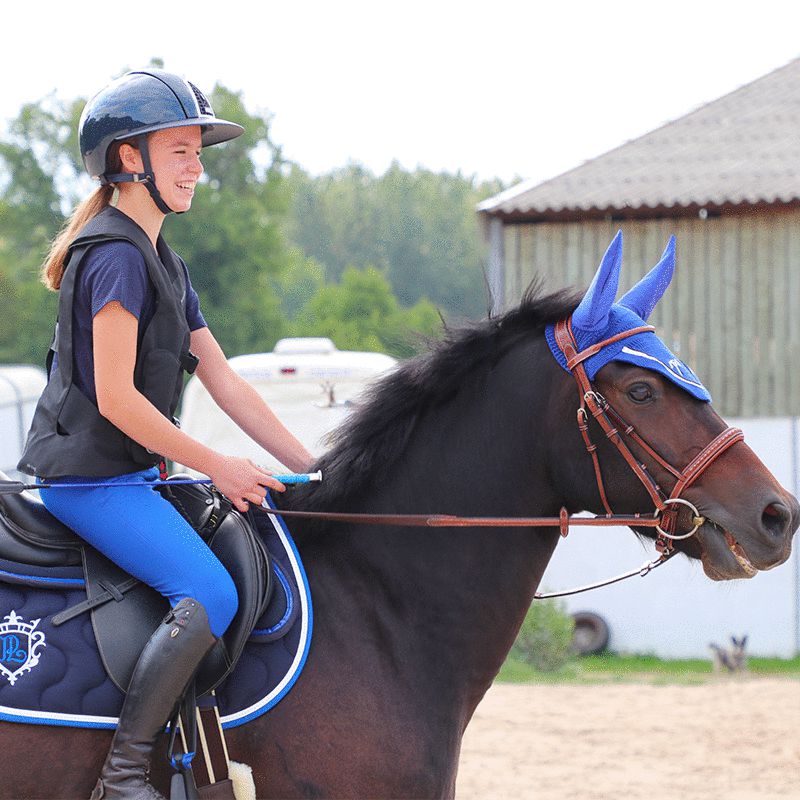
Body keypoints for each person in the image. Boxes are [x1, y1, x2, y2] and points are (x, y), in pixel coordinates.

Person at [17, 68, 313, 799]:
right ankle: (123, 773)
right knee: (209, 593)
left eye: (198, 153)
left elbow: (224, 379)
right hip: (87, 481)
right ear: (129, 159)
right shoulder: (114, 255)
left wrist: (311, 465)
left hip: (133, 477)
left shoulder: (167, 266)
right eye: (181, 151)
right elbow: (116, 399)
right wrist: (220, 465)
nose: (197, 168)